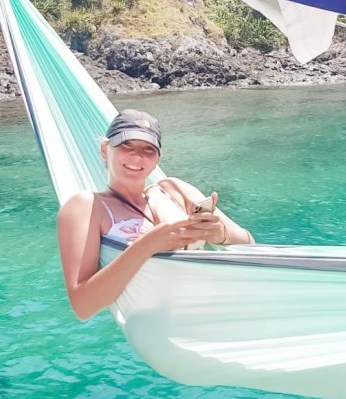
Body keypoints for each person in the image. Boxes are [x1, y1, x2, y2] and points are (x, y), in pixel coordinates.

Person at [56, 109, 254, 320]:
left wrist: (219, 234)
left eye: (148, 149)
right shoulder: (88, 206)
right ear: (105, 150)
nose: (137, 156)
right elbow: (83, 306)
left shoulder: (174, 191)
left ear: (157, 158)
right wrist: (146, 246)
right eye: (126, 145)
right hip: (164, 327)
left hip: (219, 313)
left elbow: (250, 243)